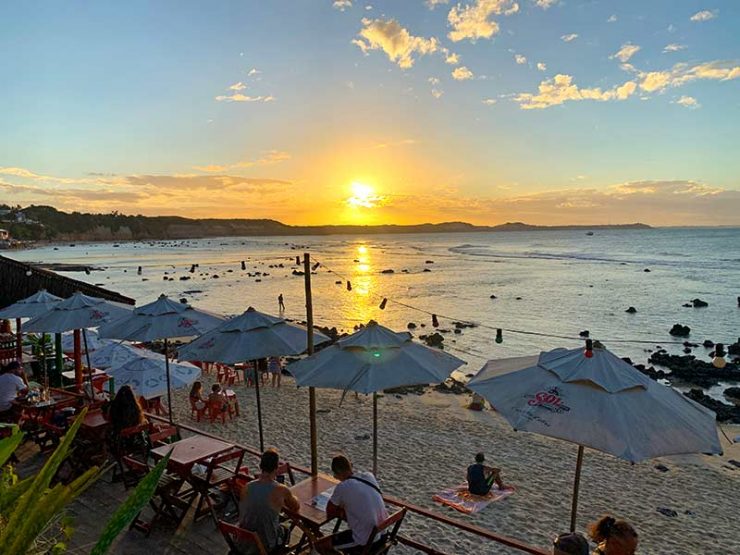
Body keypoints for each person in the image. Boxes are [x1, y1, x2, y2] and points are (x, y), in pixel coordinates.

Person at [315, 455, 389, 554]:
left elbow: (330, 512)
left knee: (320, 545)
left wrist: (342, 511)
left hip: (367, 542)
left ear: (336, 474)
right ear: (351, 467)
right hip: (383, 535)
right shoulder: (368, 476)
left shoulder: (343, 487)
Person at [238, 448, 300, 552]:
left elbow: (244, 512)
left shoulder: (247, 487)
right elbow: (295, 506)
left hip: (244, 540)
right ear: (276, 468)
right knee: (286, 529)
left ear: (260, 466)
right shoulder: (281, 489)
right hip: (266, 543)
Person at [108, 385, 148, 454]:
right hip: (135, 436)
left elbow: (112, 421)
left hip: (120, 437)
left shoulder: (115, 407)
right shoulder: (135, 408)